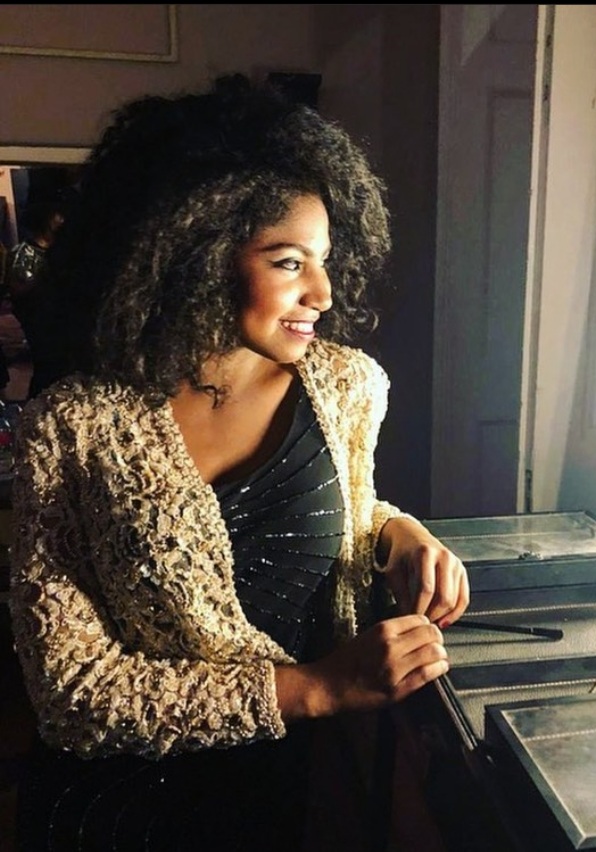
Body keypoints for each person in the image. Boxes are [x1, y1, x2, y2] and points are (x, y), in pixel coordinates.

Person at [8, 73, 469, 851]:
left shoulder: (346, 388)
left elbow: (347, 506)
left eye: (324, 259)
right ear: (194, 254)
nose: (323, 291)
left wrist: (399, 536)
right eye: (288, 262)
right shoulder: (75, 428)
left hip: (275, 793)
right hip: (119, 811)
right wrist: (315, 689)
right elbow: (72, 692)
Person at [5, 200, 66, 398]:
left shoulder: (61, 251)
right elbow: (20, 291)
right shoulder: (23, 254)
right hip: (41, 323)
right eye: (58, 215)